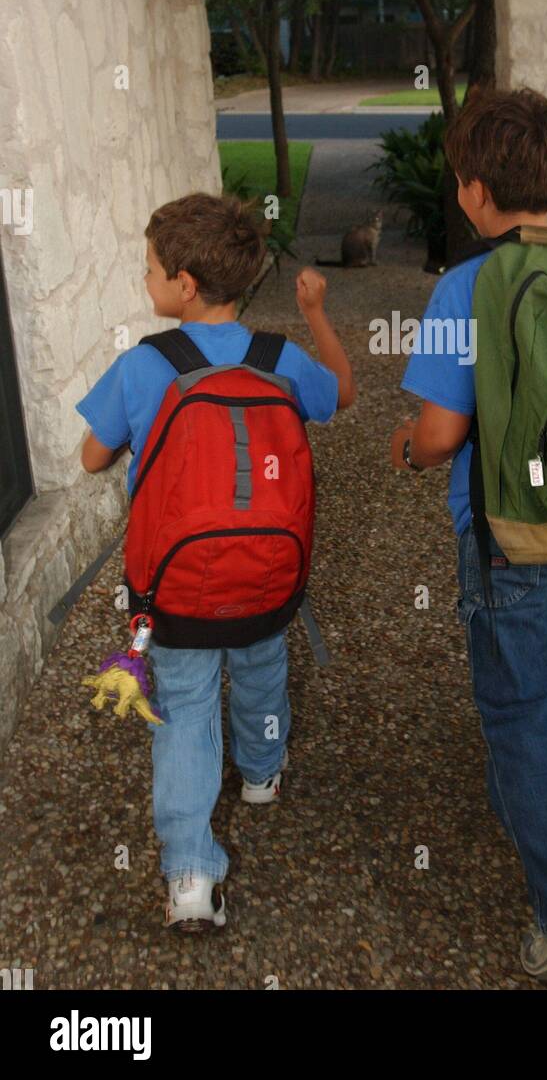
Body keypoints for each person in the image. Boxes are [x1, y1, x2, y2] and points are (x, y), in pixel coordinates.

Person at [390, 88, 547, 981]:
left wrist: (407, 450)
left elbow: (442, 433)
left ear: (473, 191)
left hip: (508, 528)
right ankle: (537, 800)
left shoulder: (468, 285)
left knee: (520, 708)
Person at [76, 192, 354, 929]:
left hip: (175, 589)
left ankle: (191, 877)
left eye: (149, 271)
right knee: (262, 667)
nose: (146, 282)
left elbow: (92, 455)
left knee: (186, 710)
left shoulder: (145, 365)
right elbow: (342, 394)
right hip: (267, 576)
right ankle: (261, 774)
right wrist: (317, 314)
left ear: (185, 284)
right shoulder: (279, 357)